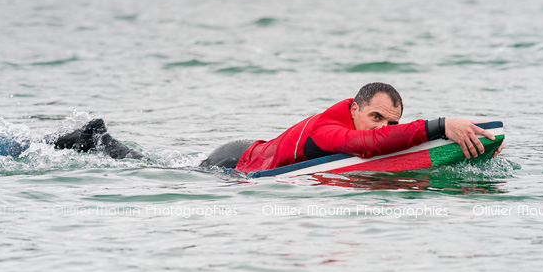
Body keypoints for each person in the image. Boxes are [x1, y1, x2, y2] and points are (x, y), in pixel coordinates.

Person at [200, 82, 503, 172]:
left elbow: (395, 143)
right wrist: (442, 125)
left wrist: (477, 149)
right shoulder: (327, 130)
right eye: (376, 117)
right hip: (233, 162)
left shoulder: (375, 129)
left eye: (390, 123)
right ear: (354, 108)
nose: (381, 127)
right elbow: (365, 146)